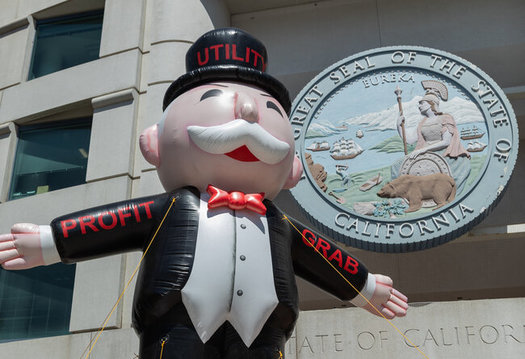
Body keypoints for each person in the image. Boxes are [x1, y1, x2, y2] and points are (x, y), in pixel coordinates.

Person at [0, 28, 407, 359]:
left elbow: (320, 255)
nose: (247, 112)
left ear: (293, 171)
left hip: (263, 333)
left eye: (267, 108)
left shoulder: (277, 223)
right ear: (154, 145)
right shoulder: (174, 208)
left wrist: (363, 287)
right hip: (176, 326)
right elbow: (114, 221)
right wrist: (55, 239)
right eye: (214, 98)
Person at [394, 80, 470, 194]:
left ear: (431, 104)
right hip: (424, 151)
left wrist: (423, 150)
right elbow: (409, 140)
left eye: (421, 103)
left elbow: (446, 142)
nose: (419, 106)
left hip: (441, 151)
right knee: (397, 165)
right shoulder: (422, 122)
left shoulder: (446, 118)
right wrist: (399, 126)